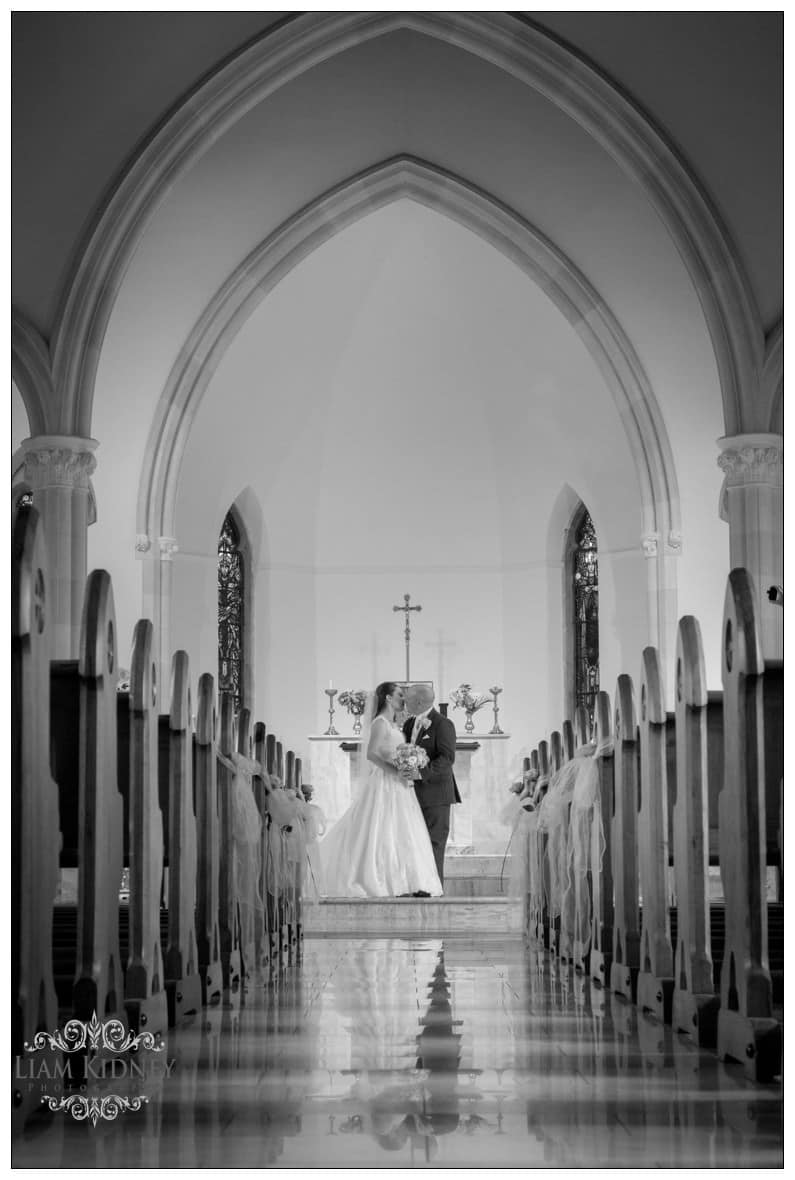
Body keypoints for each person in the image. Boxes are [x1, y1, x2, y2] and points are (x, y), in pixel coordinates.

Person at [319, 681, 443, 898]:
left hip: (400, 784)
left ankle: (405, 881)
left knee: (401, 830)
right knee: (381, 827)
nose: (403, 699)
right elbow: (371, 754)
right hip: (385, 782)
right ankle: (381, 879)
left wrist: (410, 762)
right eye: (399, 695)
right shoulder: (380, 723)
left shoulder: (394, 725)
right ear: (387, 697)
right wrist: (395, 771)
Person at [402, 685, 461, 888]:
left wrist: (421, 773)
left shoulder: (443, 724)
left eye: (407, 699)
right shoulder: (409, 723)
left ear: (419, 702)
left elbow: (447, 758)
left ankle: (435, 890)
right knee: (416, 844)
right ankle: (419, 886)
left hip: (437, 794)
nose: (404, 702)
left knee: (435, 844)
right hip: (413, 794)